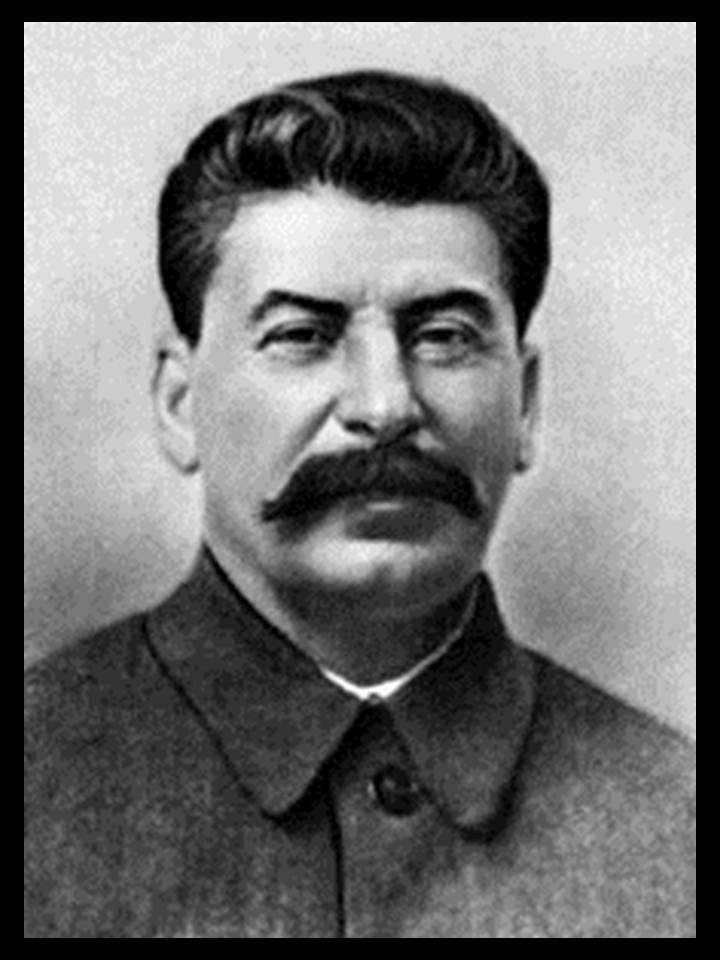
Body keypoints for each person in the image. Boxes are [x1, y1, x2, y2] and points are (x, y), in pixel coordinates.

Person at [24, 69, 695, 938]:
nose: (384, 406)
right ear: (179, 404)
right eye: (302, 336)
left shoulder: (675, 825)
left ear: (525, 404)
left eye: (445, 337)